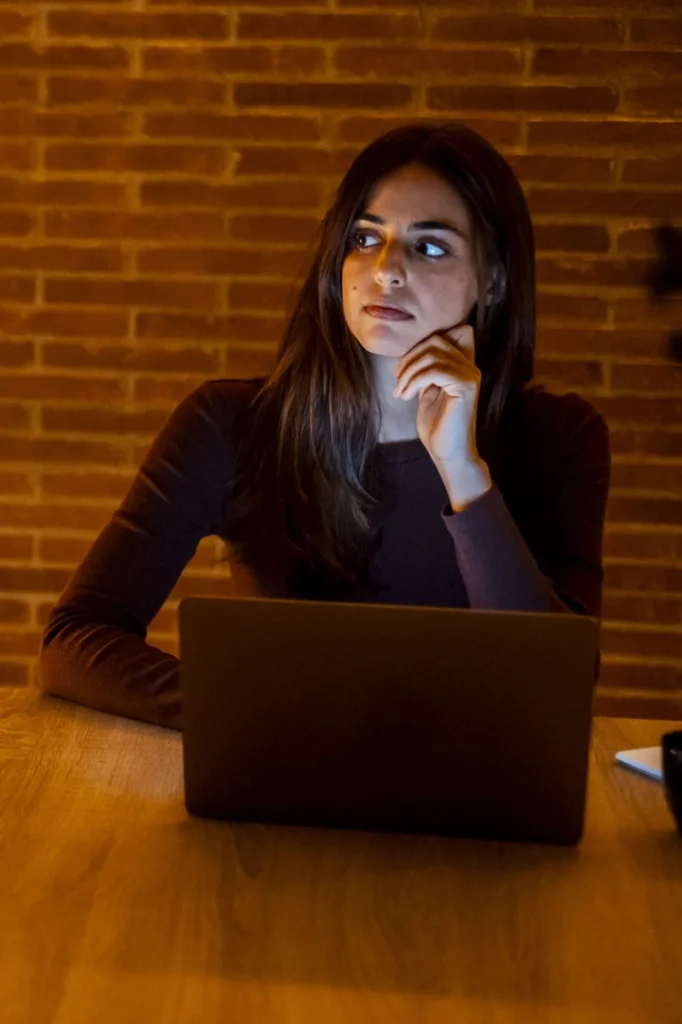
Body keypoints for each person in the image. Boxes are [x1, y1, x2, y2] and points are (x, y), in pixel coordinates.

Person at [38, 121, 611, 731]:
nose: (387, 269)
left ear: (492, 282)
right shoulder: (230, 424)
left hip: (475, 803)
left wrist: (463, 472)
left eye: (431, 246)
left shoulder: (560, 438)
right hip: (275, 784)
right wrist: (255, 710)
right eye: (366, 238)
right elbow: (73, 641)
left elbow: (556, 685)